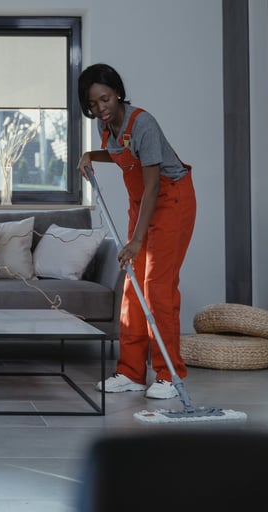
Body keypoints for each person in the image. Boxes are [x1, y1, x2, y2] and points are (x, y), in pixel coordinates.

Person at [76, 63, 196, 400]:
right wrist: (90, 156)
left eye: (106, 99)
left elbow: (154, 182)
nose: (101, 108)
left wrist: (136, 240)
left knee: (157, 288)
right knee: (132, 289)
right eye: (93, 104)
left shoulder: (142, 123)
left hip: (170, 201)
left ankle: (169, 375)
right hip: (141, 205)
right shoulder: (108, 127)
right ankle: (130, 372)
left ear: (117, 93)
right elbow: (119, 156)